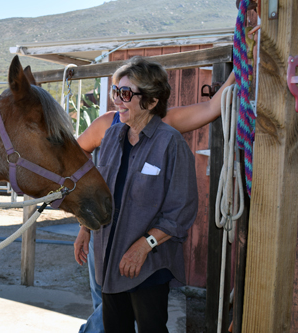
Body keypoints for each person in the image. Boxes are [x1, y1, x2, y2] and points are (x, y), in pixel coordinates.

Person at [74, 57, 235, 332]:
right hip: (109, 257)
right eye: (116, 92)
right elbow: (99, 187)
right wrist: (85, 226)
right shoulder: (110, 135)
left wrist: (144, 244)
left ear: (150, 102)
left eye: (125, 94)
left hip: (148, 264)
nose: (117, 100)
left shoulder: (169, 140)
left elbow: (182, 209)